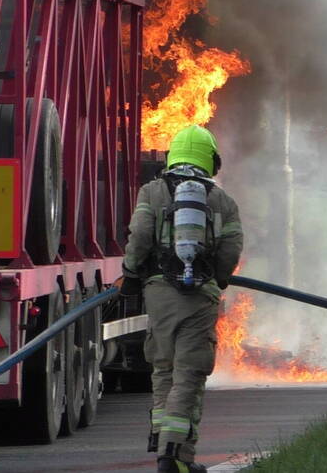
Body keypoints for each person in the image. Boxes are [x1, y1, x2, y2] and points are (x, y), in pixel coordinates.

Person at [119, 125, 244, 473]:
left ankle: (164, 446)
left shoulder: (151, 191)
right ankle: (174, 457)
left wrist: (130, 273)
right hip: (199, 296)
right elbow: (231, 247)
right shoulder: (222, 200)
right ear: (211, 161)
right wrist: (219, 276)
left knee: (163, 369)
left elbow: (141, 233)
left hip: (158, 293)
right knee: (189, 374)